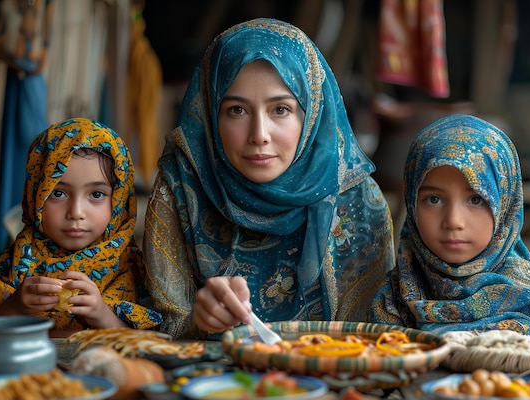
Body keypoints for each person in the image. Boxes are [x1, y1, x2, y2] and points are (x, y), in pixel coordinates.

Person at [142, 18, 395, 339]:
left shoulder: (357, 199)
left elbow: (378, 338)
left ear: (312, 113)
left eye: (280, 110)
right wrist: (198, 320)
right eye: (237, 110)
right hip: (210, 382)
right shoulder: (181, 186)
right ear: (208, 112)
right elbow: (157, 327)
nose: (259, 135)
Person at [372, 113, 530, 336]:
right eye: (434, 199)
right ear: (411, 202)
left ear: (504, 206)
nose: (453, 221)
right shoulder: (390, 304)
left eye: (476, 199)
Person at [0, 118, 162, 336]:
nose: (76, 212)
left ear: (119, 202)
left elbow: (151, 351)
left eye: (97, 194)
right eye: (58, 193)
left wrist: (102, 315)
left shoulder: (138, 273)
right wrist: (15, 308)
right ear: (35, 195)